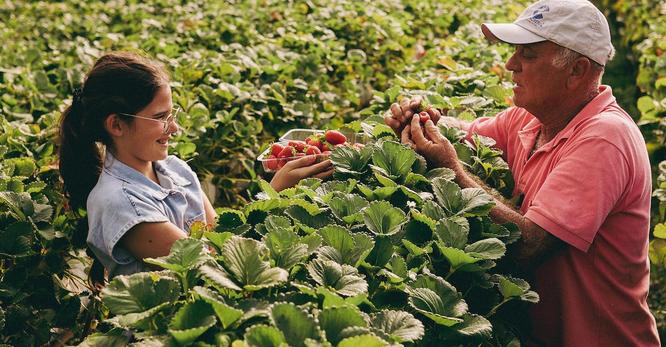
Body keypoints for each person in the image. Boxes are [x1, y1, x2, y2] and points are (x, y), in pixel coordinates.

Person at [385, 0, 660, 346]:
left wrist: (450, 168)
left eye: (528, 55)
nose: (510, 64)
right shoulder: (534, 118)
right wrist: (421, 121)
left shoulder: (605, 139)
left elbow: (528, 245)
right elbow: (464, 132)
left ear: (576, 71)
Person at [59, 52, 333, 278]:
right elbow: (215, 266)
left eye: (172, 114)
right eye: (160, 117)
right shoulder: (117, 203)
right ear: (116, 124)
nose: (174, 127)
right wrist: (275, 194)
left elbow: (222, 236)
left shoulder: (175, 169)